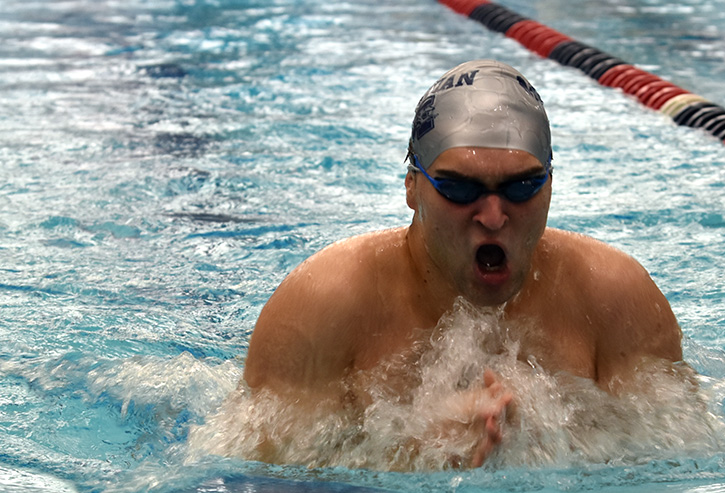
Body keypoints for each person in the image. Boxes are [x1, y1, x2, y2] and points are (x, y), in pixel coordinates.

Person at [223, 59, 691, 470]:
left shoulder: (613, 297)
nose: (492, 216)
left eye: (521, 187)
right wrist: (409, 454)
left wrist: (557, 441)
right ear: (412, 187)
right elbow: (255, 480)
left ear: (551, 185)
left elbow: (684, 459)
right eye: (459, 189)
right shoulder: (325, 305)